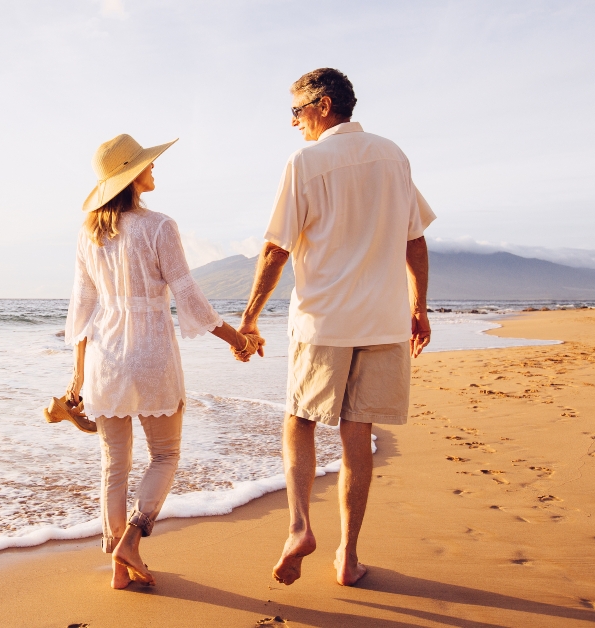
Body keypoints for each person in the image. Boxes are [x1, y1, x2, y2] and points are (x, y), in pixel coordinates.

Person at [237, 68, 434, 587]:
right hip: (384, 321)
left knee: (299, 420)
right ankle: (347, 556)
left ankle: (300, 527)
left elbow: (275, 248)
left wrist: (250, 316)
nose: (294, 123)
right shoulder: (394, 155)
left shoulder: (305, 161)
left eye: (297, 111)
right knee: (357, 433)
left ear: (323, 106)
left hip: (323, 321)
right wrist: (419, 309)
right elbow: (415, 240)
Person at [64, 134, 262, 589]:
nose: (154, 168)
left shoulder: (89, 234)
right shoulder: (159, 226)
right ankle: (133, 538)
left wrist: (77, 376)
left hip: (105, 359)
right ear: (133, 175)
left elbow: (81, 310)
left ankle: (118, 568)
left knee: (114, 465)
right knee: (165, 455)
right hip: (151, 355)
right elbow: (189, 297)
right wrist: (237, 339)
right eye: (148, 164)